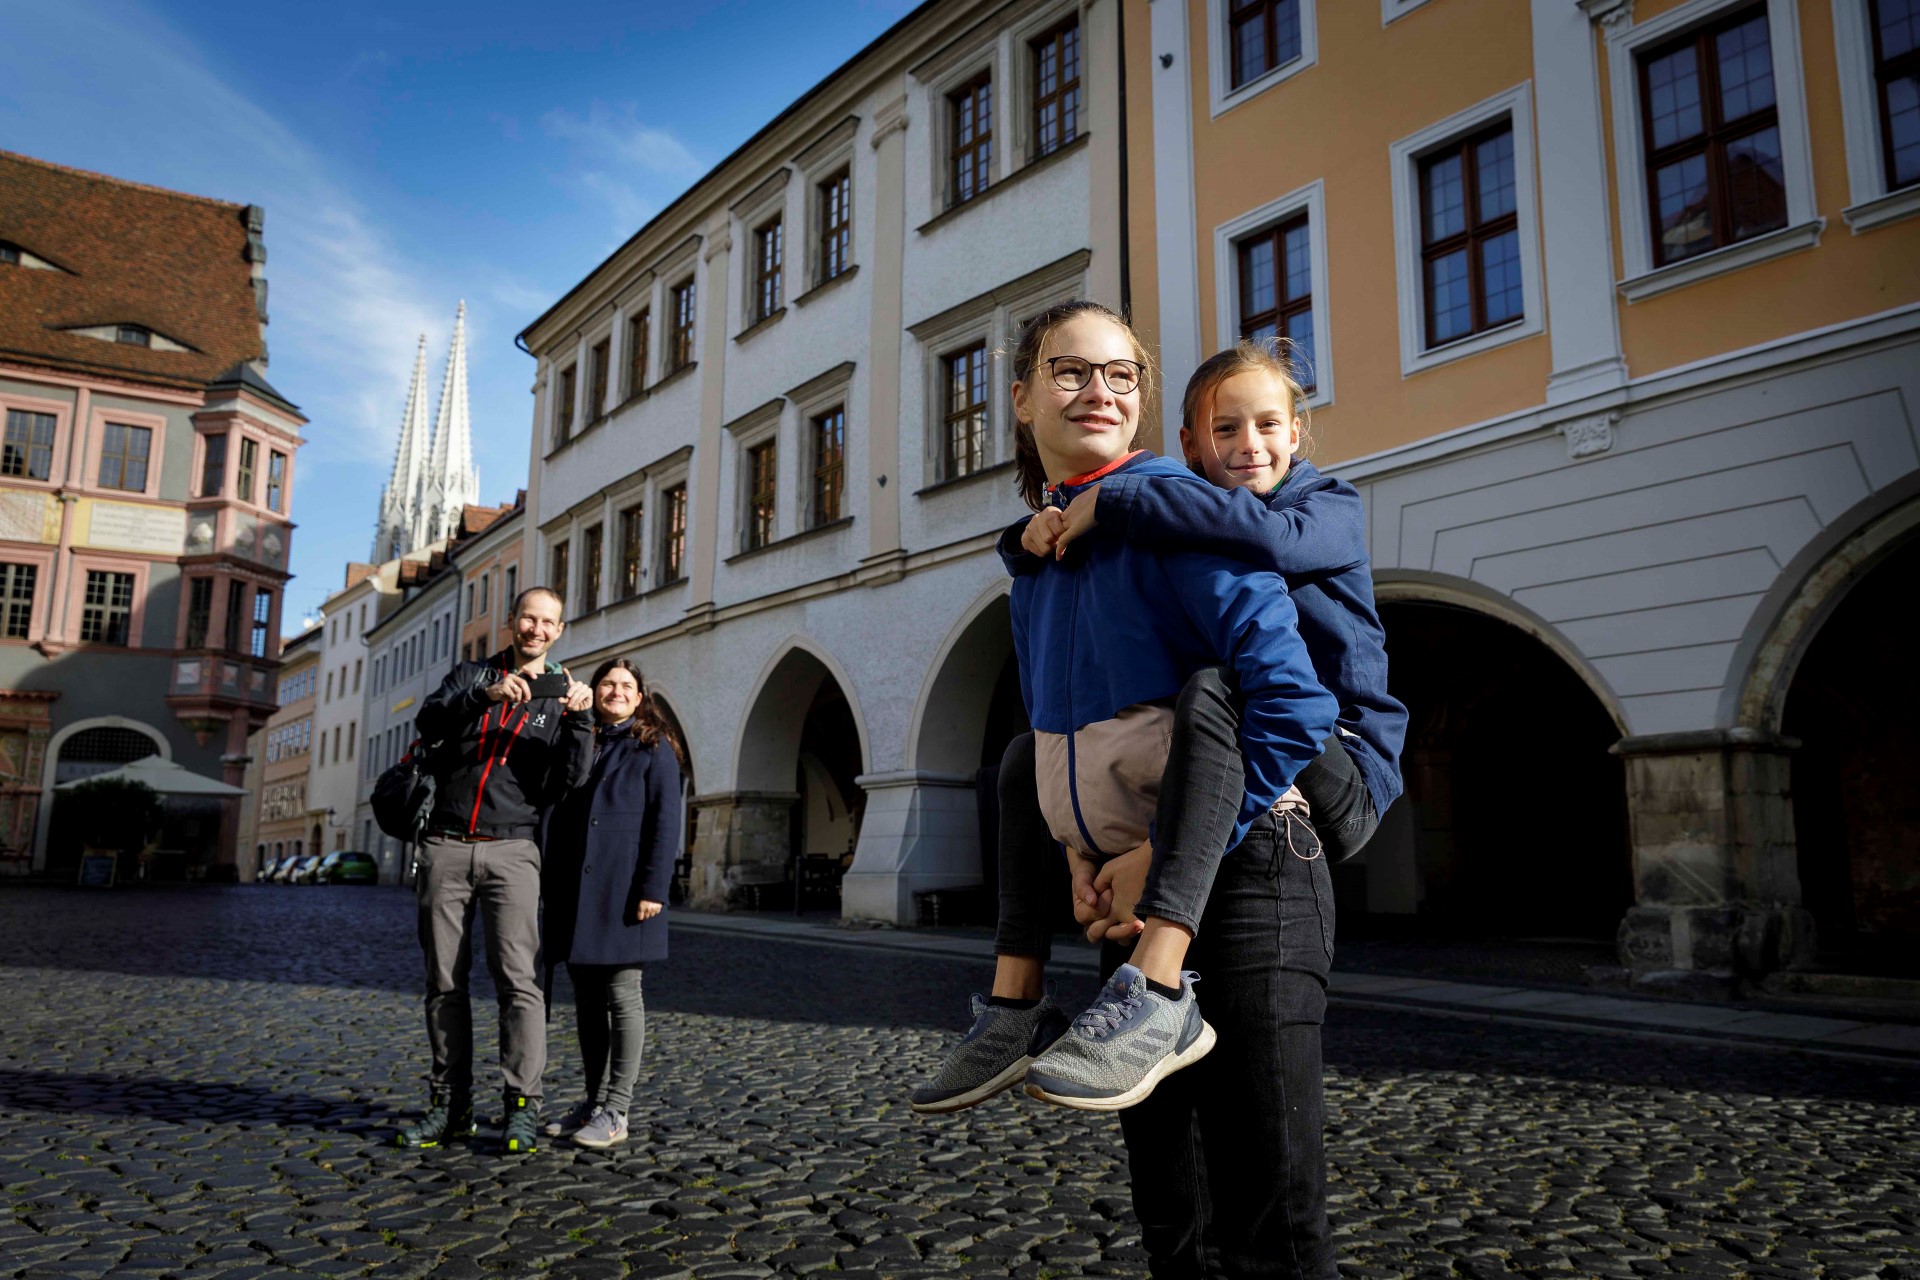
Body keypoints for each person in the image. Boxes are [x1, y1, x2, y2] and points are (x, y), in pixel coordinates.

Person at [393, 586, 593, 1156]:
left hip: (513, 851)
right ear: (511, 622)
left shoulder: (560, 693)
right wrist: (483, 695)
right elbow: (430, 721)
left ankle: (521, 1107)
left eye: (547, 621)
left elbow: (572, 780)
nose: (536, 628)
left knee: (520, 985)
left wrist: (579, 721)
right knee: (444, 983)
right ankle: (450, 1106)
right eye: (528, 617)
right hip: (447, 846)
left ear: (559, 630)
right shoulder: (469, 675)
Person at [539, 657, 682, 1150]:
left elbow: (666, 822)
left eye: (626, 685)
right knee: (585, 1003)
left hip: (625, 890)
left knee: (622, 997)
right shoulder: (582, 737)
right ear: (594, 691)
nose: (616, 691)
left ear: (640, 697)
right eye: (607, 684)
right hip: (578, 892)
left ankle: (617, 1108)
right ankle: (592, 1101)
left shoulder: (653, 746)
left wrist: (653, 888)